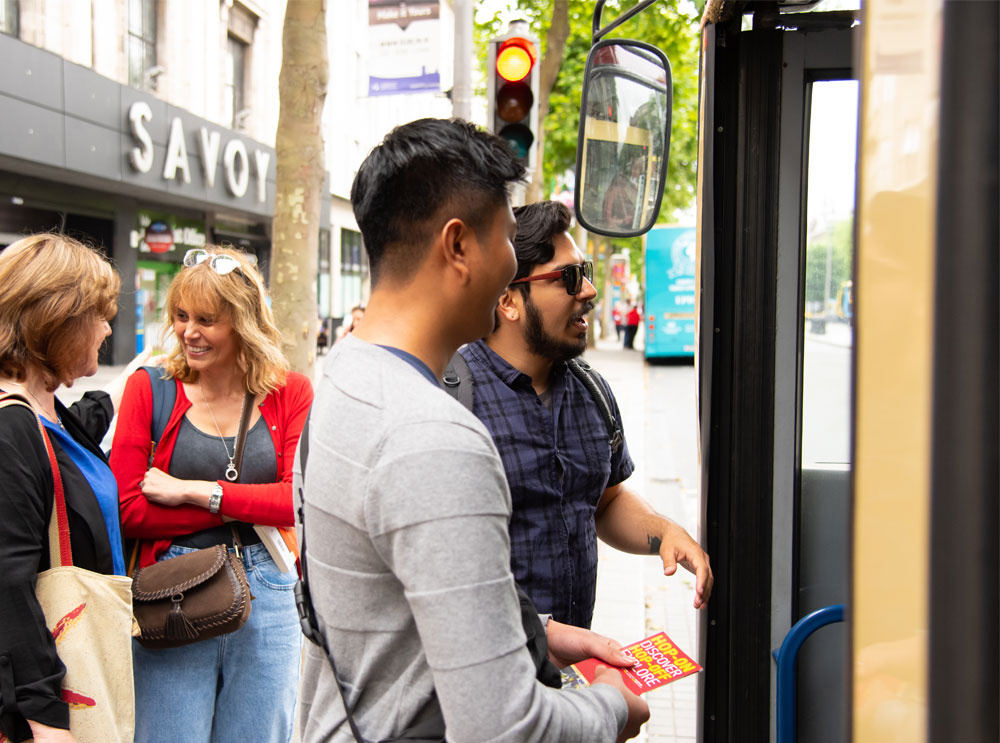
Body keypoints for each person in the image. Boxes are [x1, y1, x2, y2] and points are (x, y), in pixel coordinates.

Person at [297, 118, 648, 743]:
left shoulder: (344, 375)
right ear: (458, 247)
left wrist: (539, 632)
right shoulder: (434, 437)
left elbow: (393, 611)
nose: (513, 261)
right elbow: (505, 727)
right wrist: (612, 708)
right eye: (509, 238)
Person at [457, 201, 713, 629]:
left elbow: (604, 501)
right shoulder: (453, 401)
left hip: (574, 670)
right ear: (508, 301)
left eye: (587, 272)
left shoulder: (590, 390)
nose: (589, 291)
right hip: (489, 675)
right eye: (569, 278)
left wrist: (664, 531)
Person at [110, 246, 313, 743]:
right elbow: (126, 509)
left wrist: (199, 493)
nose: (188, 332)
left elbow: (297, 502)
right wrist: (238, 509)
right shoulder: (149, 388)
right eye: (181, 316)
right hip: (173, 586)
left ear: (243, 322)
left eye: (207, 319)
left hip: (269, 583)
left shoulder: (291, 392)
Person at [0, 234, 149, 743]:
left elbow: (80, 428)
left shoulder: (46, 410)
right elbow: (7, 583)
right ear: (59, 322)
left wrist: (139, 375)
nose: (109, 328)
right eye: (99, 316)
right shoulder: (12, 428)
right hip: (53, 700)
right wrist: (46, 721)